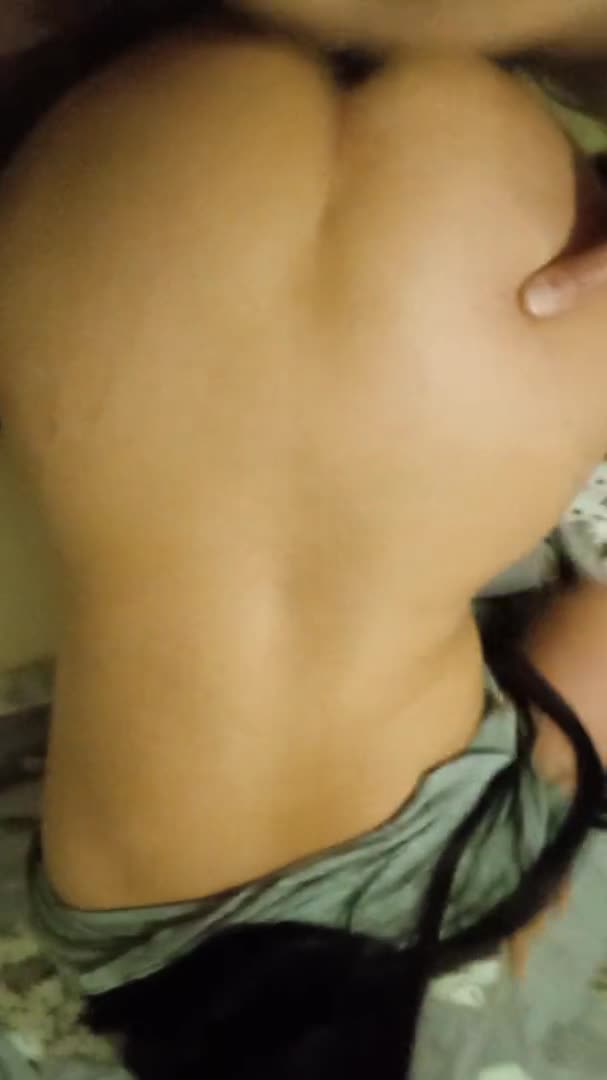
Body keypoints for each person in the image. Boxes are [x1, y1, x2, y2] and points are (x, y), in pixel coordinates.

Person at [2, 6, 607, 1079]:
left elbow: (598, 632)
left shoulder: (487, 953)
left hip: (471, 259)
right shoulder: (95, 941)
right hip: (129, 181)